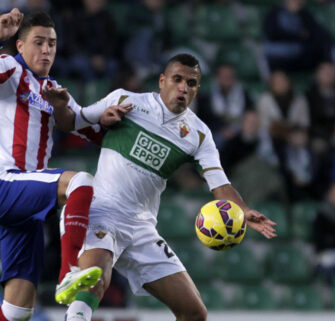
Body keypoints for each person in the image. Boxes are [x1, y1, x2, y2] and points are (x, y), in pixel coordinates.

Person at [43, 54, 277, 321]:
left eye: (191, 83)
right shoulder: (124, 99)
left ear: (197, 89)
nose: (183, 88)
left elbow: (220, 184)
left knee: (194, 313)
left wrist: (243, 209)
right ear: (162, 81)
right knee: (95, 278)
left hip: (141, 226)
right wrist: (61, 107)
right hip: (101, 209)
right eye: (177, 80)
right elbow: (72, 121)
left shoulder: (199, 134)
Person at [0, 9, 129, 321]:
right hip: (5, 182)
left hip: (26, 204)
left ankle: (65, 274)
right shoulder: (9, 68)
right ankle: (69, 271)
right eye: (38, 42)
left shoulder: (52, 88)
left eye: (51, 43)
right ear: (21, 46)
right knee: (80, 182)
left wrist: (104, 119)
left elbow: (83, 125)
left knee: (16, 311)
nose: (46, 50)